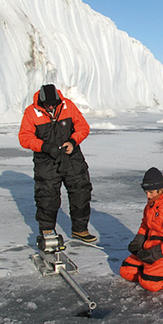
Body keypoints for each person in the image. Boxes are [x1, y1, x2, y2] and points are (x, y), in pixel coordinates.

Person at [18, 84, 96, 242]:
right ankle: (47, 232)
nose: (52, 106)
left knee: (81, 191)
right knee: (47, 196)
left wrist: (73, 141)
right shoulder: (31, 112)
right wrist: (44, 147)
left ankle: (80, 230)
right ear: (41, 101)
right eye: (48, 104)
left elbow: (83, 127)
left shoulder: (67, 105)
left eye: (54, 103)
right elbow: (24, 138)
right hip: (46, 160)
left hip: (71, 156)